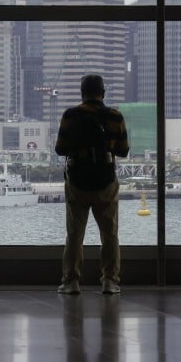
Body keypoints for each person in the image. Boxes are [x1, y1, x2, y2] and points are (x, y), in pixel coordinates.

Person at [55, 74, 129, 295]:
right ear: (103, 93)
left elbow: (60, 148)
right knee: (109, 234)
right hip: (105, 182)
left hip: (77, 181)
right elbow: (123, 150)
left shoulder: (70, 115)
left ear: (82, 93)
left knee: (75, 234)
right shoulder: (115, 116)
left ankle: (71, 282)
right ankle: (110, 281)